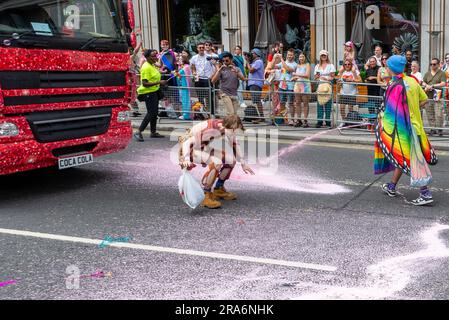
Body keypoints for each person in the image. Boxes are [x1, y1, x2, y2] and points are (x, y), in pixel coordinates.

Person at [375, 55, 438, 206]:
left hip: (403, 130)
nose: (387, 68)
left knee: (415, 161)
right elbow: (424, 99)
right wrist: (413, 108)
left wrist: (381, 123)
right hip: (415, 126)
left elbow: (389, 112)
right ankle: (391, 187)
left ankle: (425, 193)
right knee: (403, 156)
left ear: (393, 68)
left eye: (388, 66)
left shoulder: (394, 85)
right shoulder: (413, 81)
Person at [178, 115, 255, 209]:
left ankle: (219, 189)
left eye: (236, 129)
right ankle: (206, 194)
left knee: (231, 160)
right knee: (217, 162)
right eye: (232, 130)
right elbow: (187, 143)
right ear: (225, 126)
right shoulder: (211, 129)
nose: (234, 132)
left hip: (203, 147)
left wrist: (243, 163)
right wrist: (186, 159)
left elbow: (235, 143)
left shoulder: (227, 127)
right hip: (189, 149)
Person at [134, 49, 167, 141]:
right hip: (148, 92)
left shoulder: (152, 65)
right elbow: (144, 83)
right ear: (147, 57)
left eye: (155, 55)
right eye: (152, 56)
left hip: (154, 91)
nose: (155, 57)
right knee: (151, 112)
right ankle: (138, 131)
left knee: (154, 112)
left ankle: (153, 132)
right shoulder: (146, 67)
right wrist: (160, 82)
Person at [211, 51, 246, 116]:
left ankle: (228, 125)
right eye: (223, 61)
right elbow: (213, 81)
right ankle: (228, 125)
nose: (225, 62)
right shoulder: (222, 70)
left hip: (234, 94)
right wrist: (219, 70)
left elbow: (243, 79)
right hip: (224, 93)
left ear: (231, 59)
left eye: (226, 60)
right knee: (231, 113)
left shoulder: (237, 69)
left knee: (234, 114)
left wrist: (236, 71)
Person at [422, 58, 447, 136]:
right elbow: (423, 82)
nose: (432, 66)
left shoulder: (442, 73)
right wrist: (426, 86)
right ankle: (432, 128)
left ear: (438, 64)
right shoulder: (427, 73)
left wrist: (433, 86)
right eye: (431, 64)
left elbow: (443, 83)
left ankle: (440, 129)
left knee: (439, 113)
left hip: (438, 96)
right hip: (429, 96)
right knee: (430, 112)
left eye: (434, 64)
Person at [190, 43, 216, 115]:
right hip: (198, 79)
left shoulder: (209, 57)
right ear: (197, 49)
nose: (201, 49)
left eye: (202, 47)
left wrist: (212, 76)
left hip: (207, 79)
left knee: (209, 97)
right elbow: (192, 66)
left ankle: (212, 113)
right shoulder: (194, 57)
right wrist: (194, 72)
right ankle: (202, 113)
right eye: (200, 48)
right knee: (200, 96)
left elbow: (214, 66)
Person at [314, 50, 336, 128]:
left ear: (327, 56)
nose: (323, 57)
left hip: (328, 85)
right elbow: (316, 76)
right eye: (322, 55)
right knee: (320, 103)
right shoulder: (317, 66)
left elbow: (333, 76)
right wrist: (319, 77)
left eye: (324, 55)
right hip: (320, 85)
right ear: (320, 57)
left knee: (328, 103)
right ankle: (319, 121)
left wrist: (325, 78)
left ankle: (327, 121)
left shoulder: (331, 65)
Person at [276, 48, 297, 125]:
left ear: (294, 56)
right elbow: (273, 66)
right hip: (282, 85)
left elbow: (287, 69)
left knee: (291, 103)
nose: (289, 56)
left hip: (290, 87)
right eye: (288, 55)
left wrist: (281, 58)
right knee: (282, 103)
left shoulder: (295, 64)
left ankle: (292, 119)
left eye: (291, 55)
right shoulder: (282, 62)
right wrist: (275, 57)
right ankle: (284, 118)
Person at [338, 59, 361, 125]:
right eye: (345, 64)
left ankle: (350, 121)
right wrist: (339, 81)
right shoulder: (342, 72)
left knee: (350, 108)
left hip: (352, 93)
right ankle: (343, 121)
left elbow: (360, 81)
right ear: (344, 66)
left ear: (351, 65)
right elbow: (339, 82)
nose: (347, 65)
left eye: (349, 64)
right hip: (343, 93)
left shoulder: (355, 71)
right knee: (342, 108)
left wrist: (352, 80)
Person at [292, 52, 311, 128]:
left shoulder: (307, 65)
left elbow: (307, 75)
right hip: (298, 85)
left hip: (305, 85)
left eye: (302, 57)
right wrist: (294, 78)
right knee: (297, 103)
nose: (301, 58)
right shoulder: (297, 66)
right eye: (300, 57)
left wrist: (296, 75)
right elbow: (296, 76)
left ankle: (305, 120)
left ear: (305, 58)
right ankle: (299, 119)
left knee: (305, 103)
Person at [246, 48, 265, 123]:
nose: (251, 54)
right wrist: (248, 61)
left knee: (257, 101)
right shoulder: (254, 62)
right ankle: (261, 116)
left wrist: (247, 61)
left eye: (252, 53)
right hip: (253, 83)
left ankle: (261, 117)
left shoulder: (258, 61)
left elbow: (251, 70)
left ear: (256, 54)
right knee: (256, 101)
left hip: (256, 83)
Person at [177, 50, 193, 120]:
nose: (179, 60)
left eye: (181, 59)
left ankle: (186, 115)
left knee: (185, 100)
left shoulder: (186, 67)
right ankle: (185, 114)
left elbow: (179, 75)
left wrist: (176, 73)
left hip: (185, 86)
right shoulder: (183, 67)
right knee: (183, 100)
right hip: (182, 86)